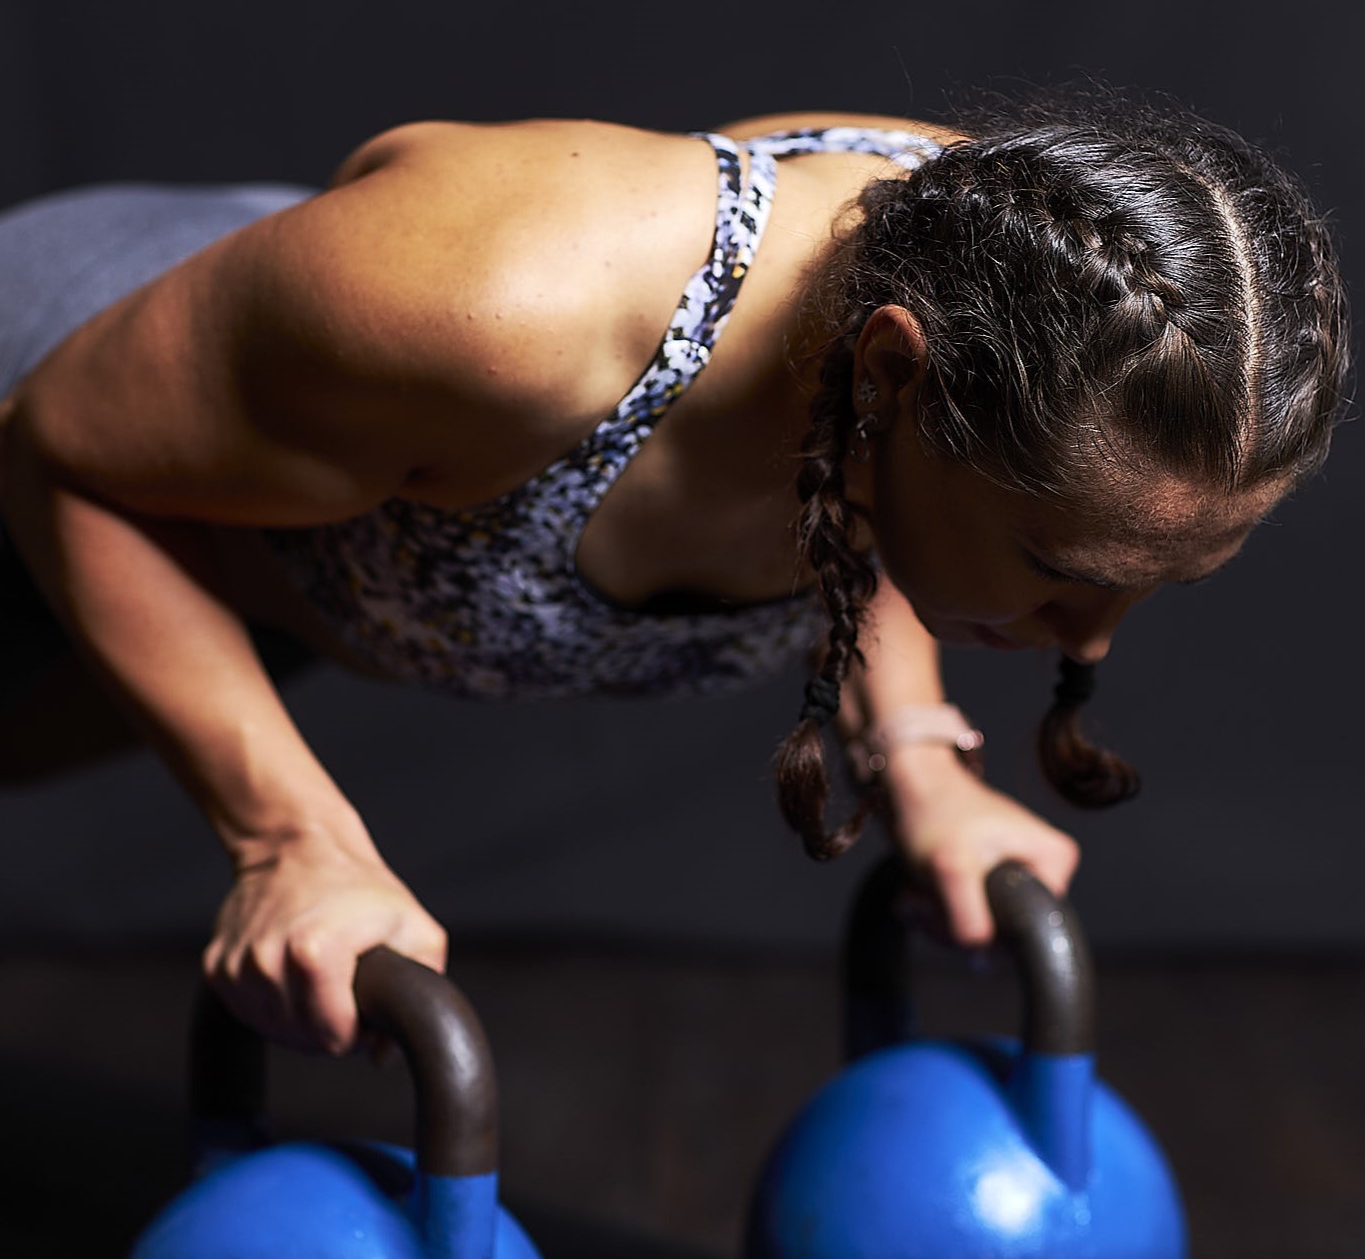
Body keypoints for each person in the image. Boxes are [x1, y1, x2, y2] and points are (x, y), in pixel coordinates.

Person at [0, 91, 1348, 1056]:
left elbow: (886, 497)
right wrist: (286, 837)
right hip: (68, 406)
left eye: (1155, 586)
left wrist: (924, 764)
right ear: (889, 375)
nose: (1091, 642)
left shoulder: (1034, 289)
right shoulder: (499, 307)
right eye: (1059, 570)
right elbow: (59, 452)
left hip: (264, 555)